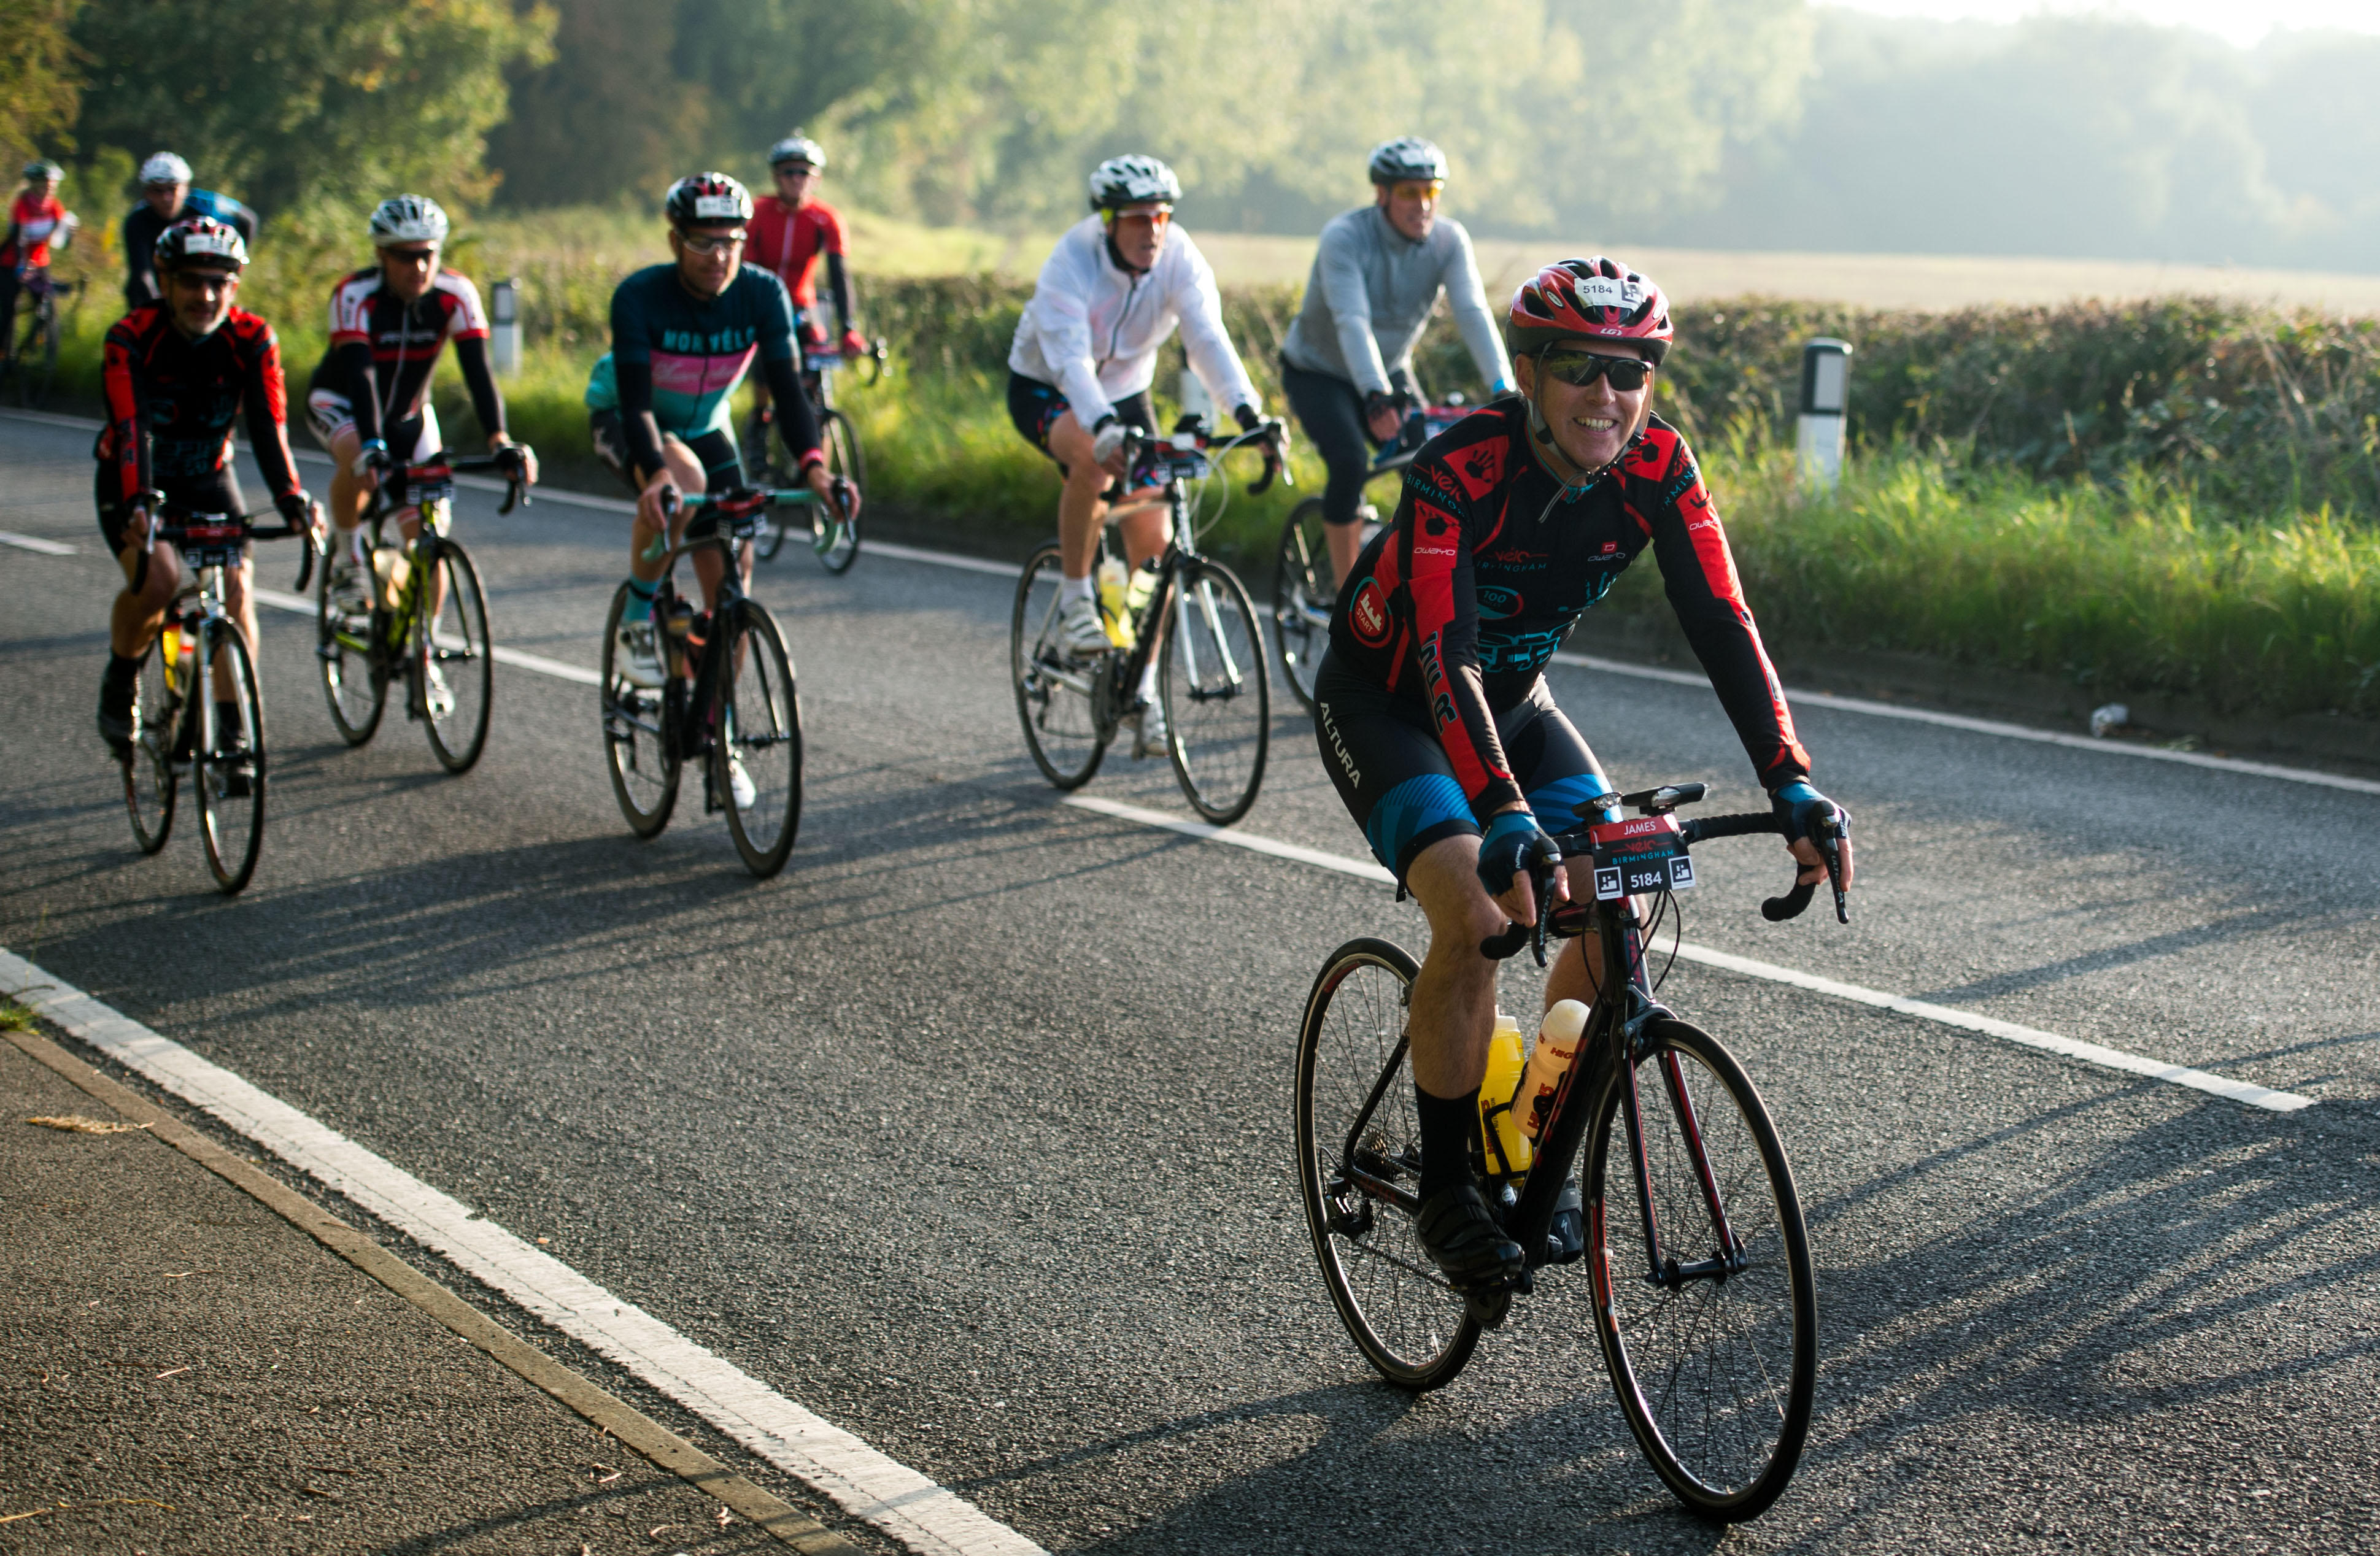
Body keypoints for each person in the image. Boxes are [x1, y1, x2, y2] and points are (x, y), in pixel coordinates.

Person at [1311, 256, 1854, 1290]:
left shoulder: (1659, 466)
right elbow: (1445, 655)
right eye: (1578, 370)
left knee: (1623, 893)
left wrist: (1791, 782)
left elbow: (1723, 627)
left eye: (1629, 370)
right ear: (1529, 374)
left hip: (1515, 706)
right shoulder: (1456, 471)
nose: (1606, 395)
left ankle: (1530, 1132)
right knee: (1478, 910)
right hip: (1389, 705)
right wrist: (1506, 813)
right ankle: (1444, 1190)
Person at [1006, 153, 1280, 750]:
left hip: (1126, 392)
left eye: (1160, 216)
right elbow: (1070, 360)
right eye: (1136, 219)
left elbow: (1206, 336)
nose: (1151, 230)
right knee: (1089, 457)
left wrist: (1248, 414)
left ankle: (1141, 687)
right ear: (1107, 222)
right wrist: (1101, 426)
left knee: (1154, 550)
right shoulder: (1070, 262)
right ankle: (1079, 599)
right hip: (1047, 385)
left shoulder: (1177, 254)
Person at [586, 172, 849, 700]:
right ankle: (637, 620)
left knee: (735, 576)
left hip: (706, 426)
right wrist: (655, 474)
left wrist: (816, 470)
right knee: (681, 480)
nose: (719, 256)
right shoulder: (640, 297)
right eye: (703, 241)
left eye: (731, 240)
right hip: (629, 418)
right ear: (674, 241)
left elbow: (789, 392)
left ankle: (716, 723)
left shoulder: (762, 294)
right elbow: (636, 404)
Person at [93, 217, 315, 788]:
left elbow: (269, 428)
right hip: (132, 478)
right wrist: (141, 500)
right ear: (165, 281)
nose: (206, 295)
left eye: (220, 282)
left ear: (235, 285)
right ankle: (121, 679)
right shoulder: (131, 337)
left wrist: (291, 497)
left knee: (237, 589)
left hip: (210, 476)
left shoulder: (252, 339)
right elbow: (133, 424)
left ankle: (234, 729)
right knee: (160, 582)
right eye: (192, 281)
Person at [304, 194, 535, 715]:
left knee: (430, 539)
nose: (419, 267)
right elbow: (361, 375)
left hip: (410, 416)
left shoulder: (455, 294)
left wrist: (499, 439)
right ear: (382, 256)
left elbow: (479, 371)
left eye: (428, 254)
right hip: (341, 404)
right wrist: (370, 447)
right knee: (358, 463)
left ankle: (422, 652)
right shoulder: (355, 295)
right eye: (406, 256)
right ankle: (347, 559)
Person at [1281, 136, 1512, 590]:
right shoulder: (1344, 238)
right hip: (1319, 371)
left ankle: (1420, 576)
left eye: (1431, 191)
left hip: (1388, 369)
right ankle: (1346, 596)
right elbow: (1352, 321)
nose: (1423, 204)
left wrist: (1505, 387)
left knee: (1434, 468)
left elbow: (1472, 313)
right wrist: (1374, 395)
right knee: (1349, 460)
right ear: (1382, 194)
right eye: (1409, 192)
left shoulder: (1449, 240)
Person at [740, 132, 870, 459]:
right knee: (767, 360)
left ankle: (813, 450)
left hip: (802, 303)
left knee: (815, 361)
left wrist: (850, 328)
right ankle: (759, 421)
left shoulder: (825, 219)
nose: (796, 179)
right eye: (789, 172)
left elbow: (839, 275)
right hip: (761, 299)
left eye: (804, 172)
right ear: (776, 177)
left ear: (817, 178)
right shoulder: (758, 213)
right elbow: (745, 268)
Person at [121, 152, 257, 312]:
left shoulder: (205, 204)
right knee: (137, 289)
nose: (166, 197)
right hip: (164, 276)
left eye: (172, 189)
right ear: (147, 193)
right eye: (157, 191)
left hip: (202, 276)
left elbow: (248, 220)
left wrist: (237, 263)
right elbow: (143, 273)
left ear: (186, 188)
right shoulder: (136, 219)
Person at [0, 160, 75, 364]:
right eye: (44, 185)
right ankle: (4, 355)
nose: (48, 190)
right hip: (12, 262)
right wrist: (22, 266)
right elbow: (19, 239)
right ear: (33, 185)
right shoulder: (22, 205)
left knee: (47, 307)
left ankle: (35, 346)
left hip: (40, 262)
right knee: (7, 310)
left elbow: (62, 240)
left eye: (51, 186)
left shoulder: (54, 206)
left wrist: (70, 233)